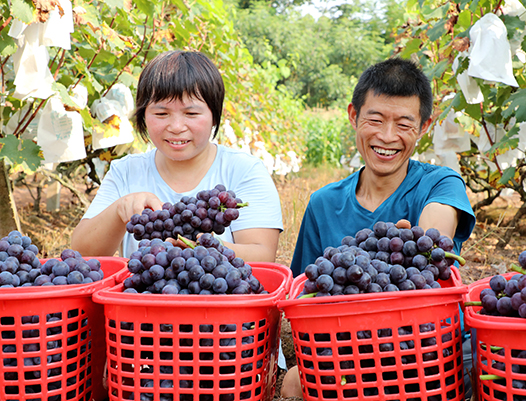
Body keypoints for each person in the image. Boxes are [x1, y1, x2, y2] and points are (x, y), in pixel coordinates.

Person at [281, 57, 476, 398]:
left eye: (404, 124)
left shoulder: (441, 183)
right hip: (352, 350)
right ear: (354, 116)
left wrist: (419, 242)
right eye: (375, 119)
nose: (387, 137)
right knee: (295, 382)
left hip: (428, 346)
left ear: (424, 126)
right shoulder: (323, 203)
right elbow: (307, 294)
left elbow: (437, 232)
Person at [71, 50, 283, 262]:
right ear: (143, 116)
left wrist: (201, 249)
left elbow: (262, 258)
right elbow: (82, 255)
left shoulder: (243, 171)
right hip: (142, 295)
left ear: (214, 116)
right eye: (161, 114)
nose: (176, 127)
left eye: (191, 114)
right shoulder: (125, 171)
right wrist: (118, 210)